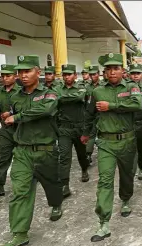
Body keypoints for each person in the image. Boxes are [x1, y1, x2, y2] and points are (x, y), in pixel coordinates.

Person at [0, 55, 63, 246]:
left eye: (27, 71)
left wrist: (16, 117)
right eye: (20, 72)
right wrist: (8, 117)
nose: (23, 76)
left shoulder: (50, 94)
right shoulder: (15, 96)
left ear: (38, 72)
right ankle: (19, 233)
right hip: (23, 151)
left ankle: (56, 204)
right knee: (20, 192)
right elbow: (8, 114)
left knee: (52, 184)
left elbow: (43, 111)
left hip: (46, 150)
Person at [81, 53, 142, 242]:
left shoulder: (132, 87)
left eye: (116, 68)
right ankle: (103, 222)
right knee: (105, 180)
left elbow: (137, 104)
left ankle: (125, 199)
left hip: (127, 141)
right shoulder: (97, 91)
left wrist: (112, 106)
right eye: (109, 69)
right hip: (106, 142)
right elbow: (90, 115)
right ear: (104, 72)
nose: (113, 72)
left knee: (127, 175)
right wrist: (86, 134)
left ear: (122, 71)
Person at [56, 64, 90, 199]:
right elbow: (56, 99)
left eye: (69, 74)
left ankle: (84, 169)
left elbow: (79, 97)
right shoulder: (58, 88)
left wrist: (62, 98)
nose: (66, 77)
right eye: (64, 74)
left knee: (82, 153)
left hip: (79, 127)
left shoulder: (82, 87)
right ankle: (65, 184)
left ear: (75, 76)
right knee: (64, 157)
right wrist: (66, 97)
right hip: (64, 128)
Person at [0, 64, 20, 198]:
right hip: (6, 131)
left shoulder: (22, 91)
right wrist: (4, 123)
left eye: (8, 75)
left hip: (22, 130)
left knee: (25, 157)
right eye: (3, 76)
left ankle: (30, 179)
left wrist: (12, 115)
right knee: (2, 157)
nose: (5, 78)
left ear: (15, 76)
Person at [85, 65, 104, 164]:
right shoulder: (87, 87)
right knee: (91, 134)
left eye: (94, 74)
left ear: (98, 73)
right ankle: (88, 154)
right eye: (91, 74)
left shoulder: (104, 85)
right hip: (92, 113)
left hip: (103, 113)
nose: (93, 76)